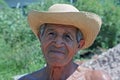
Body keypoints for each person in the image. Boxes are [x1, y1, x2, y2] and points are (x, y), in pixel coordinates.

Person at [19, 4, 111, 80]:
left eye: (67, 36)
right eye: (51, 34)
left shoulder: (94, 78)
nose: (58, 43)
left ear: (79, 45)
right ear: (40, 38)